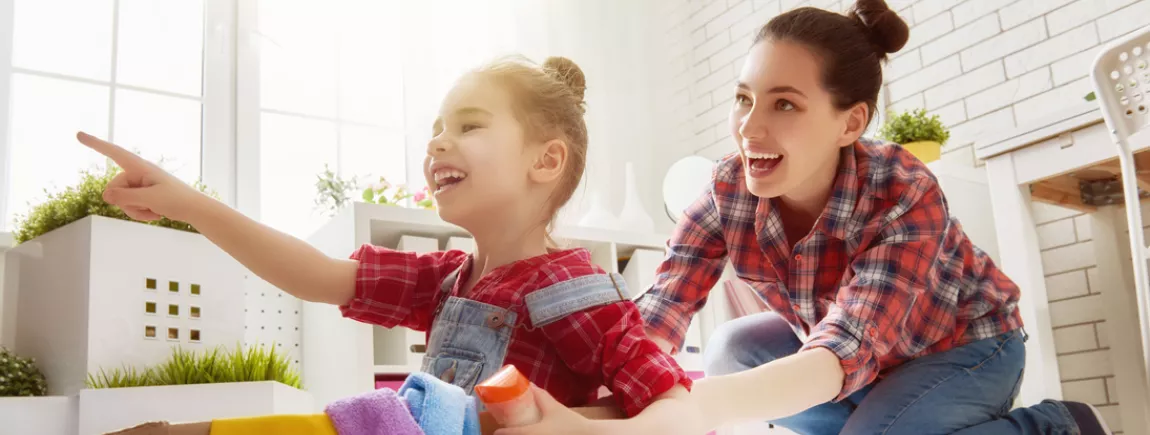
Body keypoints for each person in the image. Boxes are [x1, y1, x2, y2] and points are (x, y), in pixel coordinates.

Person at [493, 2, 1113, 435]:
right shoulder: (728, 189)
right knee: (734, 349)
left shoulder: (902, 189)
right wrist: (590, 411)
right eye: (744, 98)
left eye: (784, 104)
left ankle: (1055, 426)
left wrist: (656, 424)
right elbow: (658, 317)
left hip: (964, 345)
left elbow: (839, 352)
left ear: (850, 122)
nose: (749, 128)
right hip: (856, 360)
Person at [75, 55, 692, 422]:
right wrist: (187, 204)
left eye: (468, 126)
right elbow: (313, 275)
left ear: (546, 161)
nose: (437, 143)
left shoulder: (572, 290)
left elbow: (670, 403)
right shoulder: (447, 278)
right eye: (435, 129)